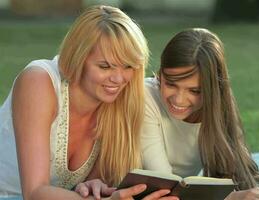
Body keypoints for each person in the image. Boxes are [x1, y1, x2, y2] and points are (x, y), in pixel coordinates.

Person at [0, 5, 177, 200]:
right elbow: (34, 192)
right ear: (78, 58)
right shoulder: (39, 81)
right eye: (105, 66)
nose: (119, 79)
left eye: (128, 66)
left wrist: (94, 186)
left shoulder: (117, 103)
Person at [76, 28, 259, 200]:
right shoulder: (145, 97)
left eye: (194, 91)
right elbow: (164, 183)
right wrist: (228, 197)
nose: (179, 100)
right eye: (171, 84)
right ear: (160, 74)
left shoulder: (219, 107)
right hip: (127, 190)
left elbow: (242, 169)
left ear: (214, 91)